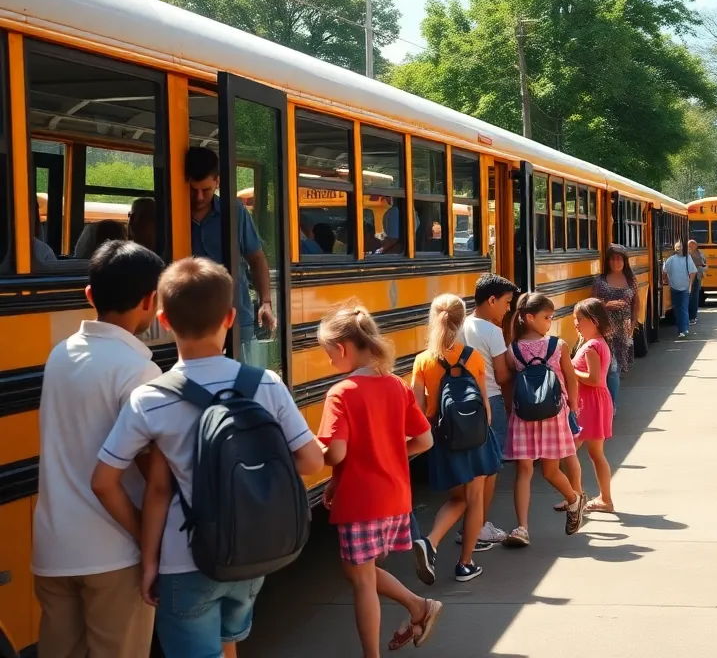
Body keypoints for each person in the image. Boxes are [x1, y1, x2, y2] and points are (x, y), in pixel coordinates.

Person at [95, 257, 325, 658]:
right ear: (232, 317)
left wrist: (149, 561)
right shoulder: (265, 383)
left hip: (186, 561)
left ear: (163, 321)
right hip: (252, 555)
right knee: (228, 641)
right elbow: (311, 461)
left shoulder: (151, 398)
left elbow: (126, 484)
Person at [33, 241, 165, 658]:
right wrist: (148, 540)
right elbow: (151, 471)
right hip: (113, 554)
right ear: (150, 301)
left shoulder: (60, 355)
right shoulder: (139, 370)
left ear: (89, 296)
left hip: (53, 550)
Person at [316, 304, 442, 654]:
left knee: (360, 580)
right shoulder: (396, 386)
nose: (329, 362)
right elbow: (425, 440)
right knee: (360, 571)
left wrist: (316, 452)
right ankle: (420, 607)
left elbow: (336, 453)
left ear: (342, 348)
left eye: (328, 354)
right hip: (395, 497)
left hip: (361, 500)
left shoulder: (341, 393)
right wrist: (386, 451)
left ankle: (376, 649)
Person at [411, 295, 502, 583]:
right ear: (462, 320)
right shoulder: (473, 356)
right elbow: (485, 407)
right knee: (474, 499)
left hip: (443, 437)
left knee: (457, 498)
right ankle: (465, 564)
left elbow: (418, 412)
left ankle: (431, 541)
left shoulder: (423, 361)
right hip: (475, 438)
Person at [501, 292, 585, 548]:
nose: (550, 321)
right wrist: (572, 406)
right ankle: (522, 527)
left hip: (523, 414)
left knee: (542, 471)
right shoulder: (557, 346)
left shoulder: (512, 351)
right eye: (546, 317)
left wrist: (508, 410)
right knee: (534, 470)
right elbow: (570, 378)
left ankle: (573, 498)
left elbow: (508, 383)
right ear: (529, 318)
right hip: (553, 413)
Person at [185, 147, 275, 353]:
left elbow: (256, 258)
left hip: (235, 315)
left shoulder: (235, 212)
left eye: (206, 190)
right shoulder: (172, 212)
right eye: (193, 189)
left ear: (217, 182)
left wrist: (266, 302)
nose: (199, 197)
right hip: (189, 316)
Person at [459, 274, 520, 547]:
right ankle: (480, 524)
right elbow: (501, 374)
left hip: (461, 403)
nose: (508, 309)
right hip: (490, 401)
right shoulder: (492, 332)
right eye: (506, 303)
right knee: (490, 467)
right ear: (492, 300)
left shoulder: (459, 325)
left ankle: (469, 524)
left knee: (470, 470)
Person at [569, 299, 615, 513]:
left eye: (579, 319)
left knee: (569, 451)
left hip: (589, 403)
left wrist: (570, 369)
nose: (575, 324)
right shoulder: (599, 343)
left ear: (594, 321)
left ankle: (574, 497)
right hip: (598, 401)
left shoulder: (590, 347)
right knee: (596, 453)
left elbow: (594, 378)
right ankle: (604, 498)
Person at [592, 244, 639, 408]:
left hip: (623, 331)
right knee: (607, 369)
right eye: (613, 259)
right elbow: (592, 304)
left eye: (619, 259)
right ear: (608, 261)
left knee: (615, 370)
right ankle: (605, 405)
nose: (616, 262)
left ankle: (611, 405)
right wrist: (606, 305)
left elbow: (636, 304)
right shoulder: (600, 281)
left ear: (625, 261)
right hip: (605, 329)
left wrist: (633, 324)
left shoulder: (631, 280)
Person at [662, 242, 697, 339]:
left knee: (681, 309)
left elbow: (664, 272)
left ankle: (683, 329)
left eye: (680, 247)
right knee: (681, 309)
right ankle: (683, 329)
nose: (679, 249)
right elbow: (693, 272)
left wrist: (690, 283)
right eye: (678, 247)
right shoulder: (681, 259)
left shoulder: (678, 259)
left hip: (679, 287)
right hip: (678, 287)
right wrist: (690, 283)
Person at [687, 239, 707, 325]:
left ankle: (693, 317)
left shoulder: (700, 253)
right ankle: (687, 316)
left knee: (695, 297)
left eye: (693, 245)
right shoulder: (685, 254)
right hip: (687, 277)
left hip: (697, 276)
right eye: (689, 245)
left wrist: (701, 269)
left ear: (696, 246)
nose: (691, 246)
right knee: (688, 296)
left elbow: (705, 265)